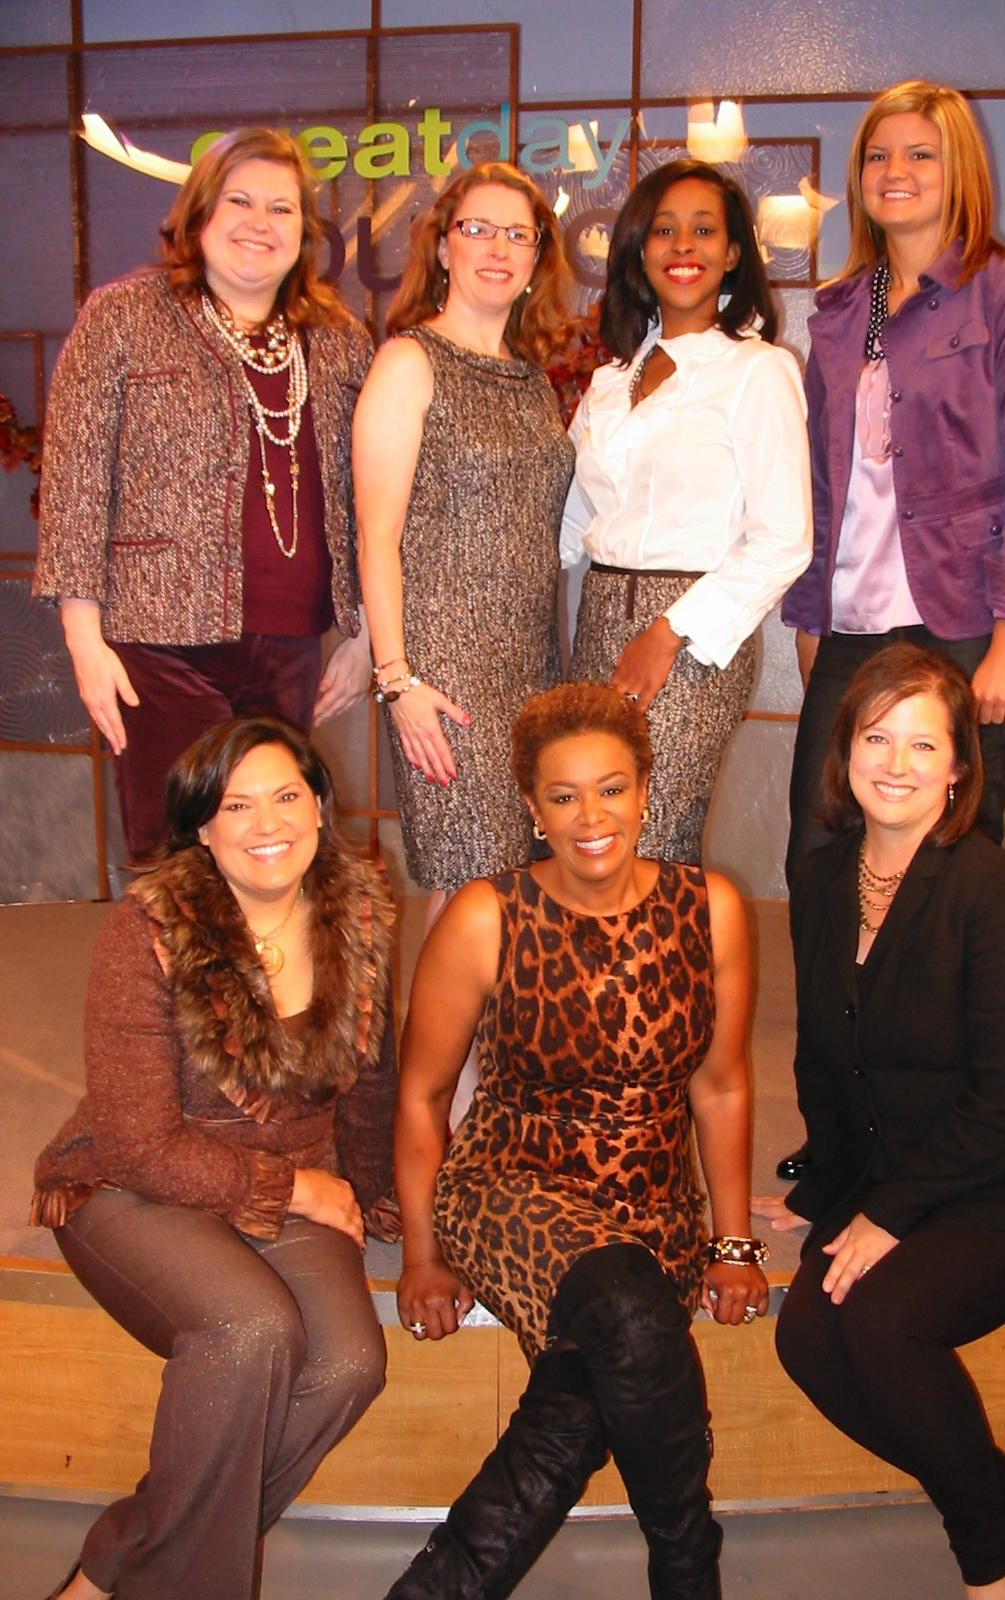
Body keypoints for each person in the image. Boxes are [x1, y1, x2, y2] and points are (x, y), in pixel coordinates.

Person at [385, 681, 768, 1600]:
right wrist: (424, 1254)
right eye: (564, 796)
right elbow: (422, 1097)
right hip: (507, 1186)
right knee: (630, 1316)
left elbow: (720, 1085)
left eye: (612, 789)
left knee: (582, 1402)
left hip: (651, 1206)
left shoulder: (710, 907)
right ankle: (689, 1574)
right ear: (532, 808)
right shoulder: (486, 915)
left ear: (646, 791)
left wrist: (731, 1243)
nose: (591, 817)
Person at [760, 643, 1005, 1600]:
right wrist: (823, 1187)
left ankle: (990, 1569)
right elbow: (827, 1054)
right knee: (806, 1339)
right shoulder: (824, 879)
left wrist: (887, 1215)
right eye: (877, 737)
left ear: (960, 766)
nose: (897, 764)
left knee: (883, 1326)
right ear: (845, 749)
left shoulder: (994, 894)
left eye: (924, 745)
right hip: (895, 1167)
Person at [30, 715, 399, 1600]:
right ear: (201, 827)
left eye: (286, 796)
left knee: (349, 1365)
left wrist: (385, 1202)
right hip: (131, 1185)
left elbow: (372, 1081)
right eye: (237, 806)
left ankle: (116, 1568)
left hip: (292, 1179)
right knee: (250, 1329)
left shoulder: (355, 912)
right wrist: (296, 1188)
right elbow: (137, 1142)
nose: (267, 823)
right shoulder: (148, 929)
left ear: (319, 806)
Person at [782, 80, 1005, 875]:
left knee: (952, 857)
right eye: (878, 156)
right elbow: (824, 484)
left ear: (960, 170)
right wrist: (811, 615)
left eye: (921, 154)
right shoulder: (842, 310)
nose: (896, 171)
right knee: (820, 846)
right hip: (852, 622)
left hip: (967, 620)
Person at [34, 127, 375, 861]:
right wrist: (83, 637)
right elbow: (75, 480)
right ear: (198, 215)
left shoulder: (339, 337)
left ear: (304, 232)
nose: (260, 223)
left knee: (272, 849)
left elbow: (371, 497)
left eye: (282, 209)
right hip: (158, 641)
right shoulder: (124, 314)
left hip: (292, 643)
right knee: (180, 851)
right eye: (239, 202)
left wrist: (365, 635)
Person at [562, 157, 812, 863]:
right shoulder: (609, 380)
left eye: (704, 230)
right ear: (640, 250)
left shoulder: (757, 371)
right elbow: (573, 519)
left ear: (733, 254)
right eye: (664, 229)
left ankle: (670, 943)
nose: (683, 246)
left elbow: (784, 539)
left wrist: (668, 632)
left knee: (650, 832)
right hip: (598, 616)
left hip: (691, 632)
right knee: (591, 833)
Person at [354, 161, 575, 922]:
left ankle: (496, 1014)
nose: (497, 247)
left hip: (532, 664)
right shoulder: (409, 362)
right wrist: (397, 681)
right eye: (477, 228)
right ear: (443, 247)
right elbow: (376, 536)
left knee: (518, 883)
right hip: (443, 673)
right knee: (472, 881)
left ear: (537, 256)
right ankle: (452, 1014)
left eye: (518, 234)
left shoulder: (534, 380)